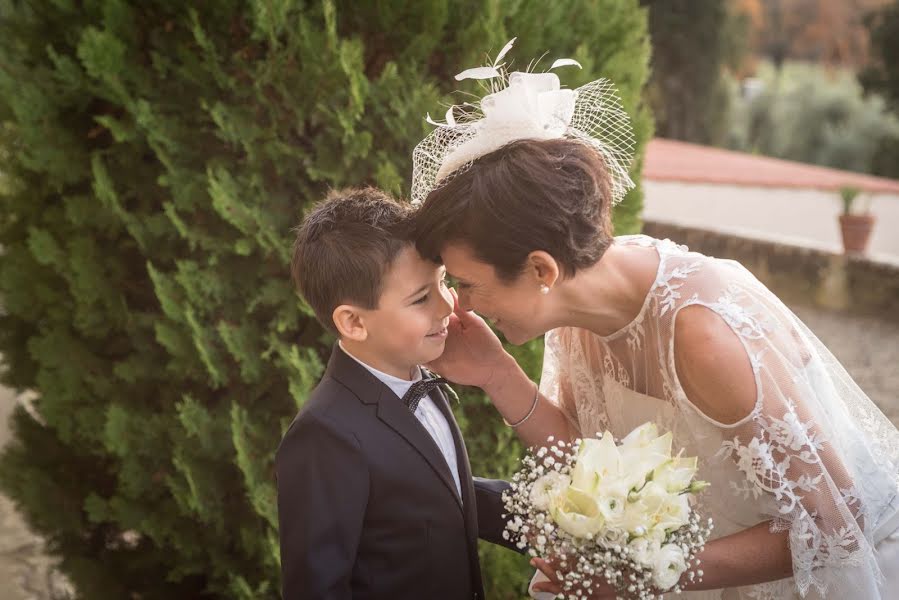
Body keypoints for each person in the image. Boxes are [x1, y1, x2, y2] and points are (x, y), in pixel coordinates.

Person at [409, 49, 899, 599]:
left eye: (467, 283)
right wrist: (498, 375)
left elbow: (834, 522)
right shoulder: (576, 306)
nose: (464, 305)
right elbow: (591, 458)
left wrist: (641, 574)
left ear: (541, 269)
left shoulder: (706, 336)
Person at [276, 187, 517, 600]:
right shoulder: (326, 434)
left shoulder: (418, 373)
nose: (447, 306)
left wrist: (564, 516)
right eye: (421, 298)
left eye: (443, 283)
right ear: (353, 322)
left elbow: (437, 493)